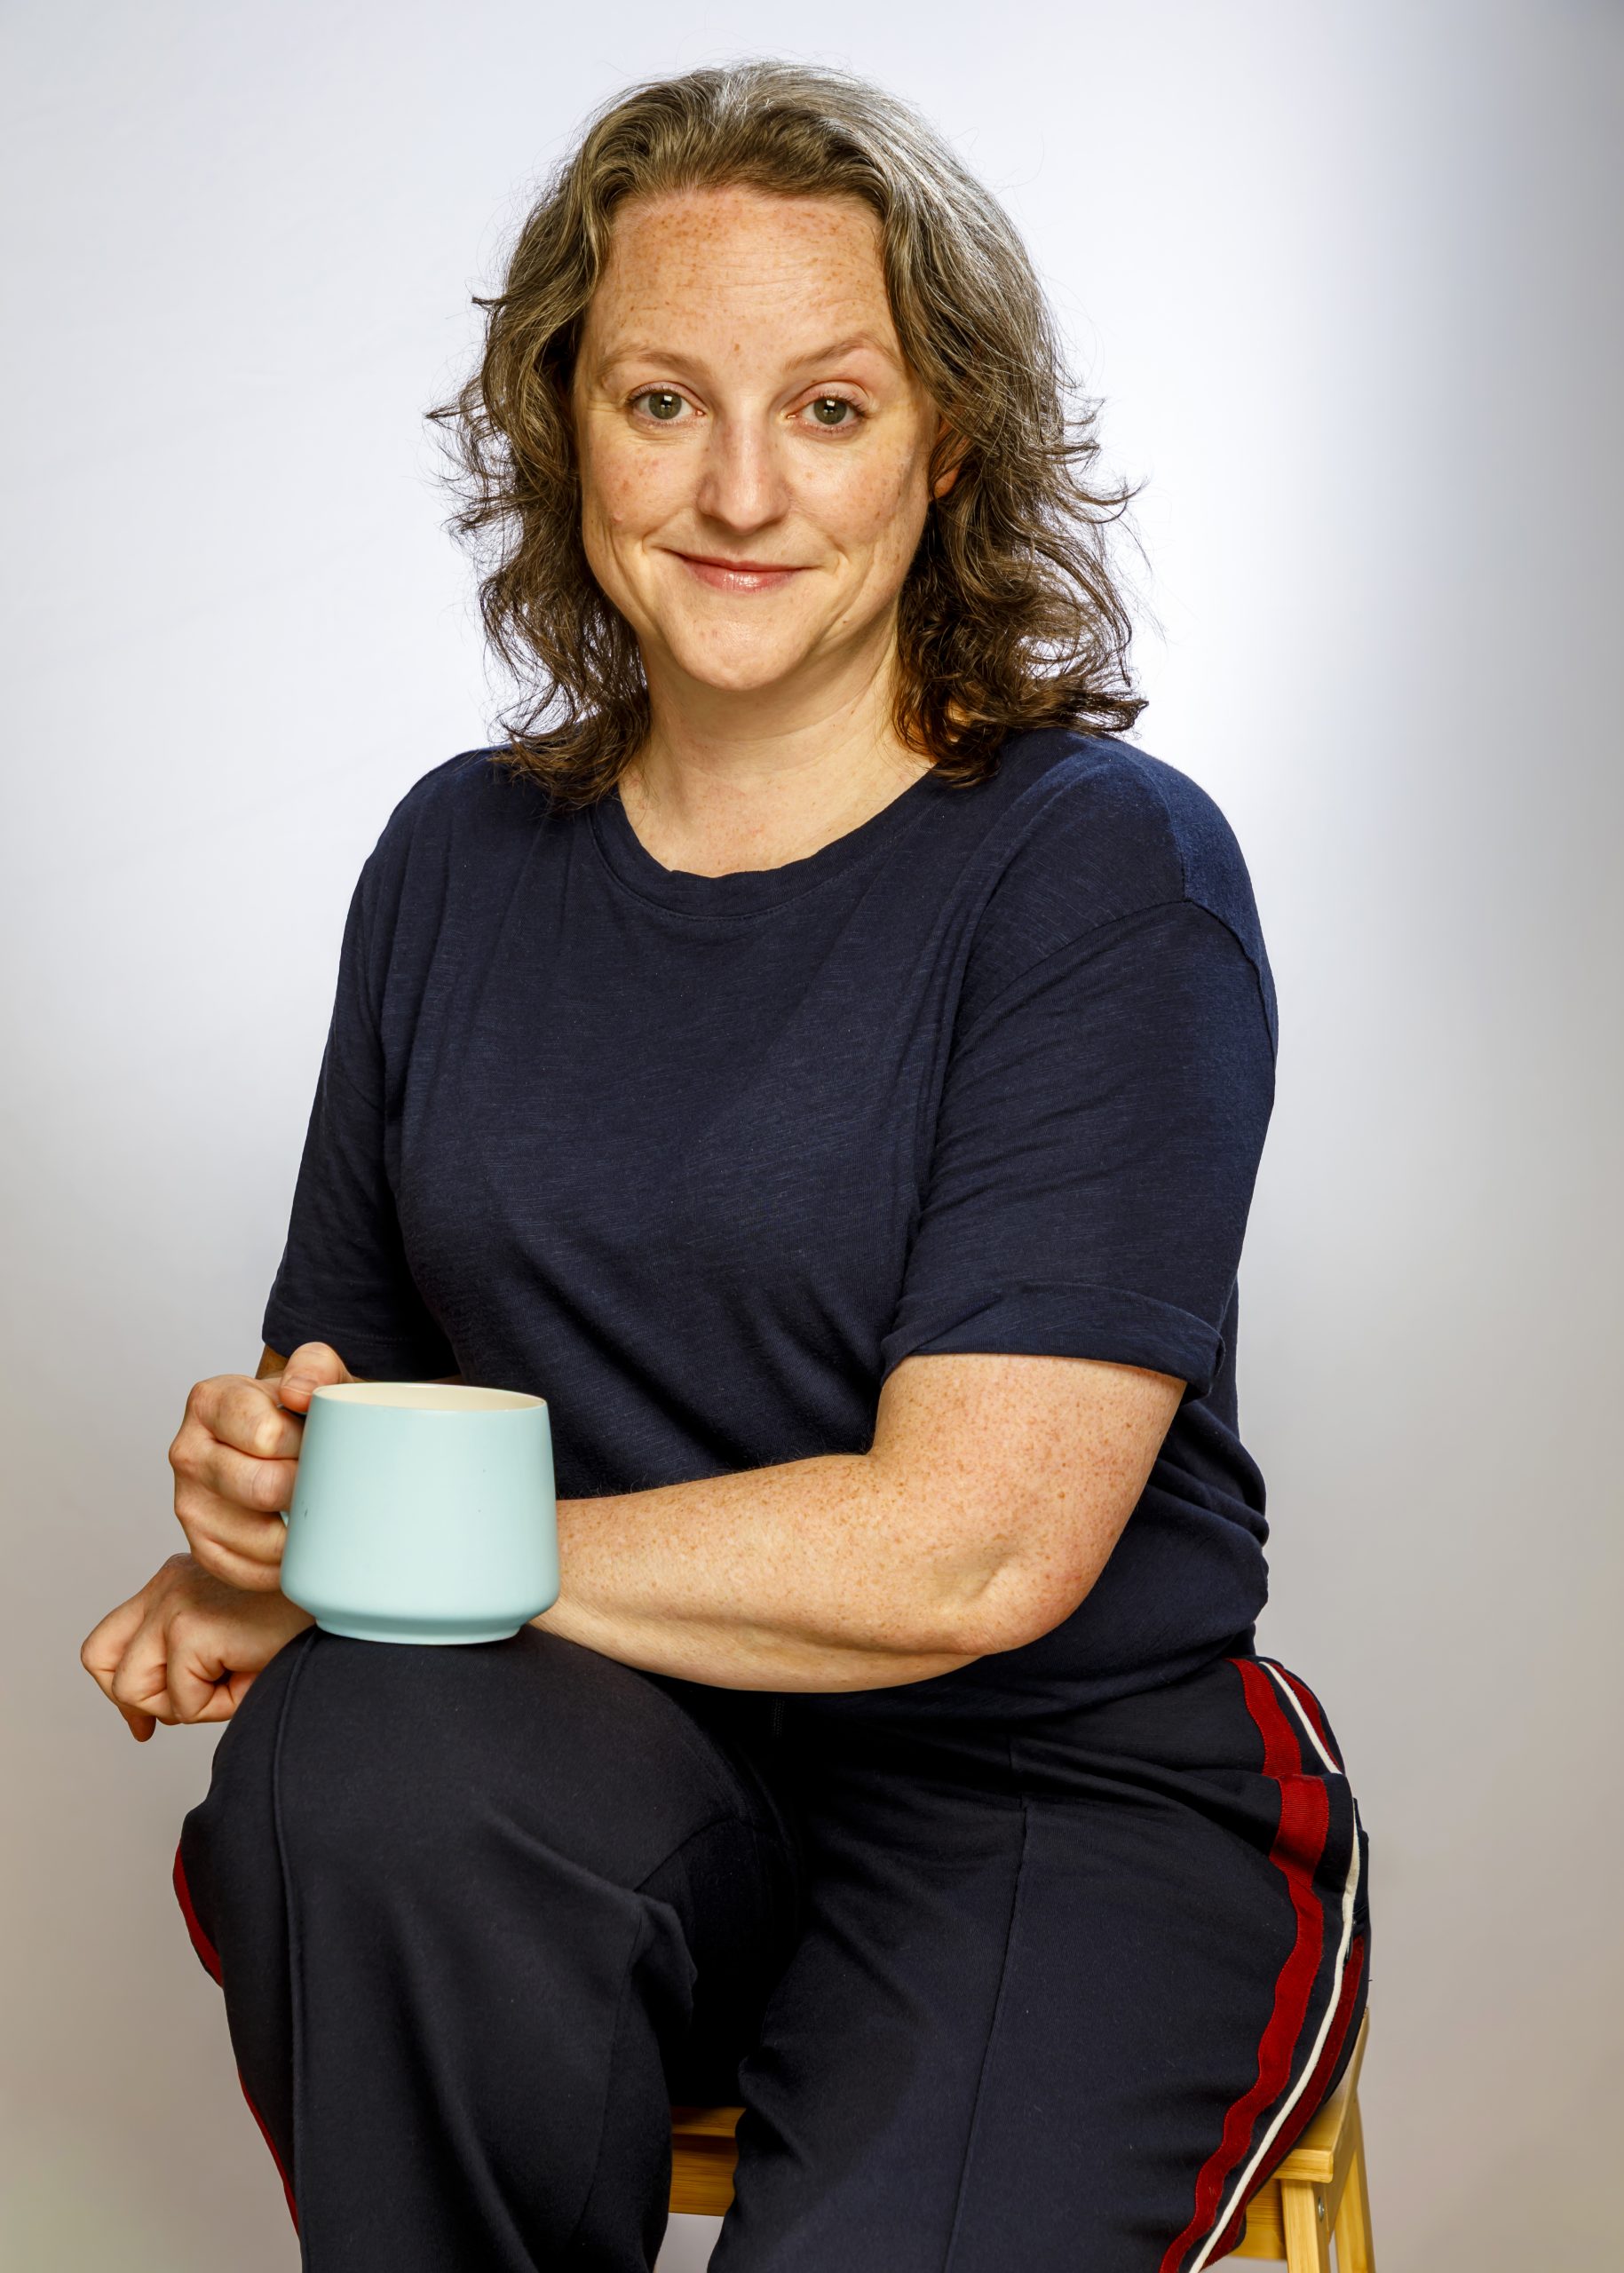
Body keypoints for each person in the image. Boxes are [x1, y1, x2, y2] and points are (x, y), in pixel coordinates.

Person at [81, 59, 1370, 2273]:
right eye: (664, 398)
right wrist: (263, 1512)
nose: (743, 487)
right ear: (562, 426)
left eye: (833, 408)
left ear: (946, 445)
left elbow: (974, 1547)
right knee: (361, 1769)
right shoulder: (456, 861)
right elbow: (358, 1416)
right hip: (614, 1774)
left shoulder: (1102, 877)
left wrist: (396, 1551)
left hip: (1048, 1785)